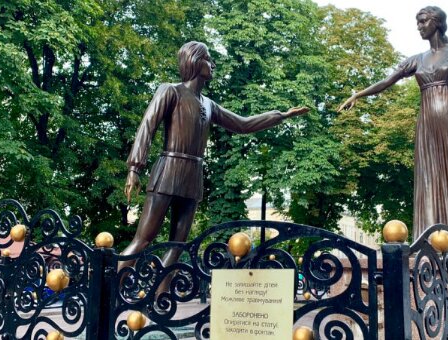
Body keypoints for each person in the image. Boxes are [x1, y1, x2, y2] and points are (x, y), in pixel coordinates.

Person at [121, 41, 308, 272]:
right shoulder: (170, 91)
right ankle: (108, 294)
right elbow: (147, 127)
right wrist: (134, 168)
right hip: (168, 171)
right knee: (143, 239)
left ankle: (160, 300)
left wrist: (281, 116)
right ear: (195, 61)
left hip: (193, 176)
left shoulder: (209, 105)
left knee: (178, 246)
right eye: (209, 59)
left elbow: (243, 124)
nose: (213, 64)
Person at [338, 6, 448, 245]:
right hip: (427, 123)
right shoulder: (417, 60)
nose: (418, 26)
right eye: (417, 22)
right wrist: (358, 94)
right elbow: (387, 81)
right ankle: (429, 238)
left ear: (436, 23)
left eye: (422, 22)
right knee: (430, 175)